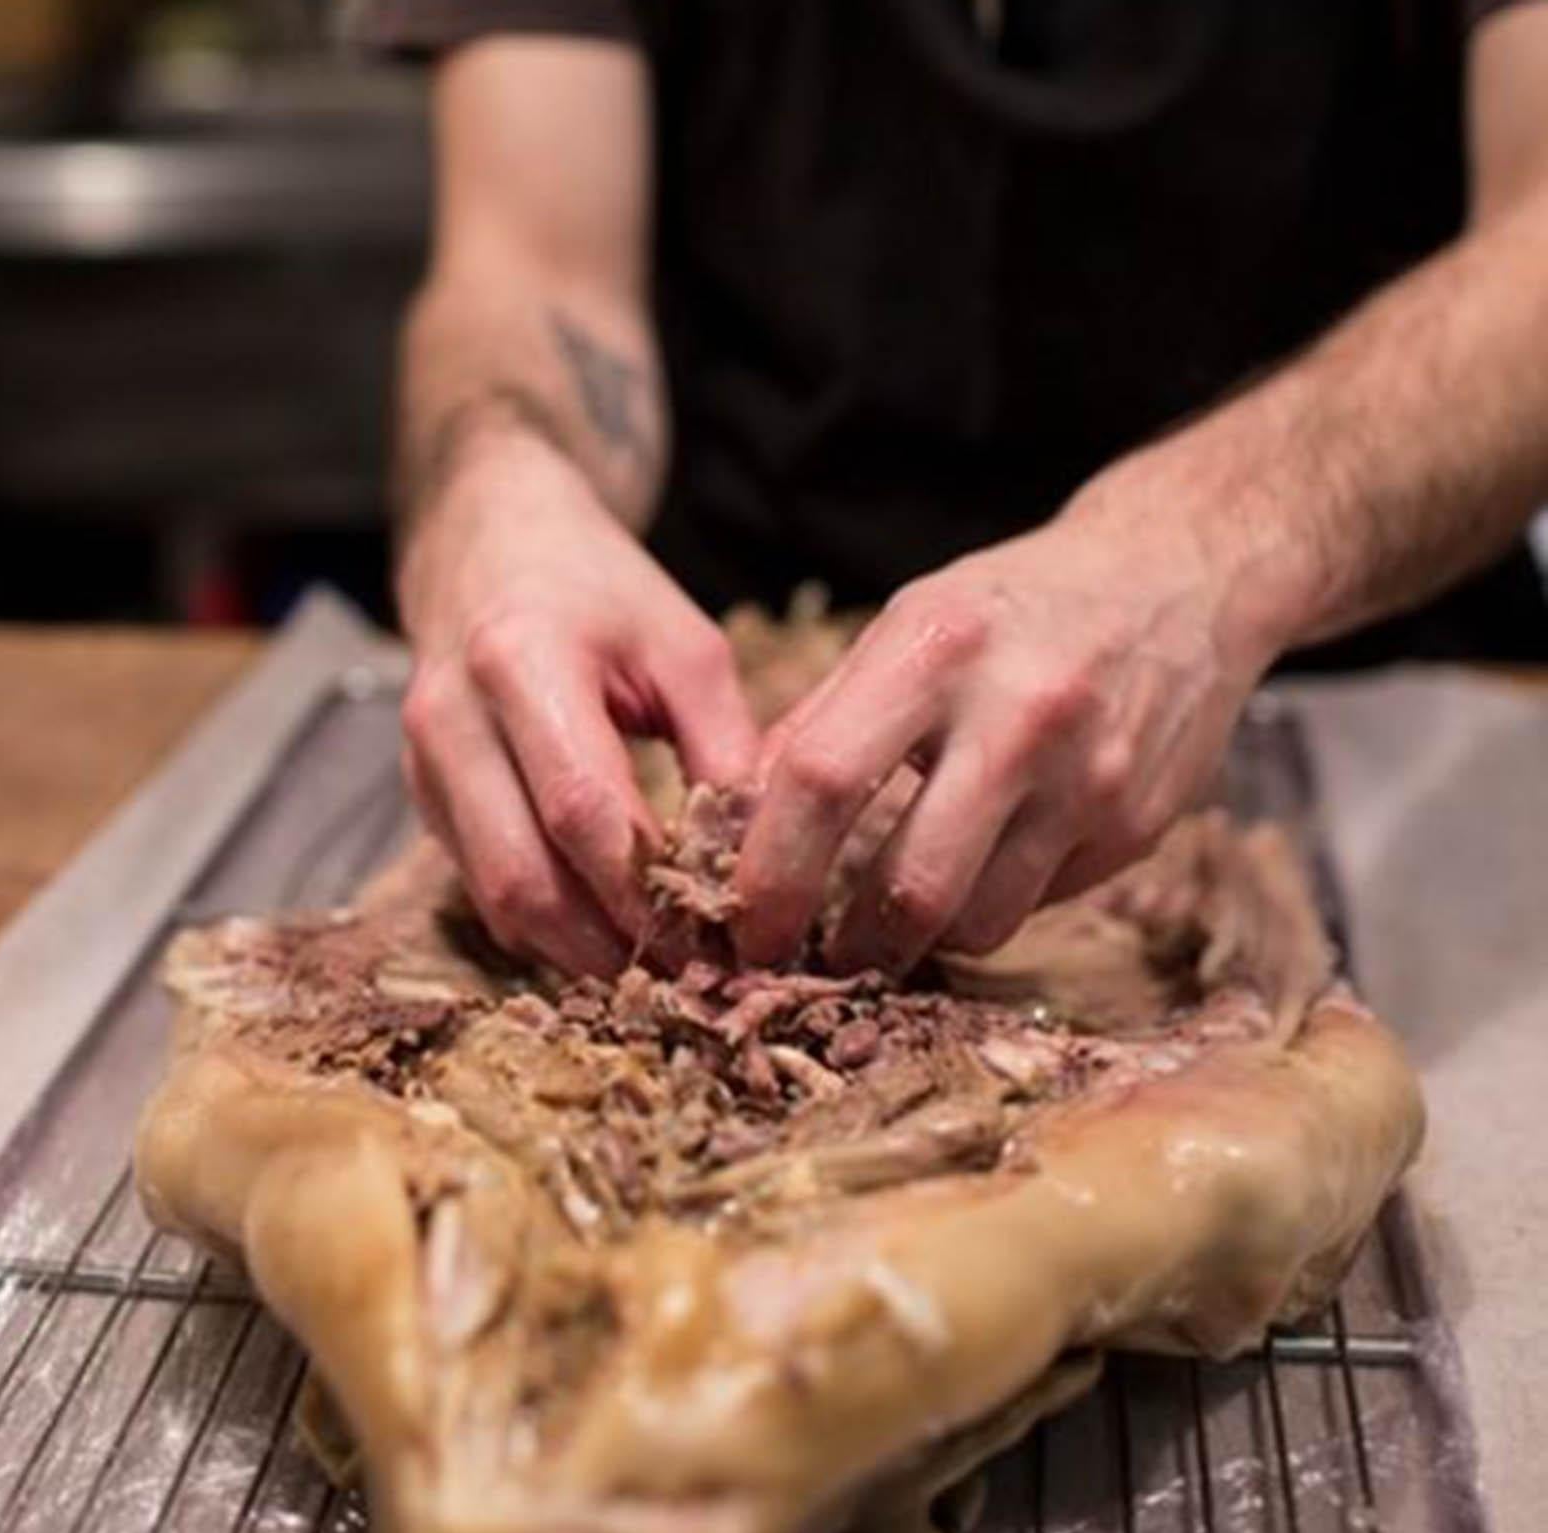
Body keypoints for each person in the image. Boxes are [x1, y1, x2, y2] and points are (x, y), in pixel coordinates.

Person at [354, 0, 1548, 980]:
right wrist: (499, 488)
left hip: (1351, 714)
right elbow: (529, 268)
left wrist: (1208, 549)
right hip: (724, 700)